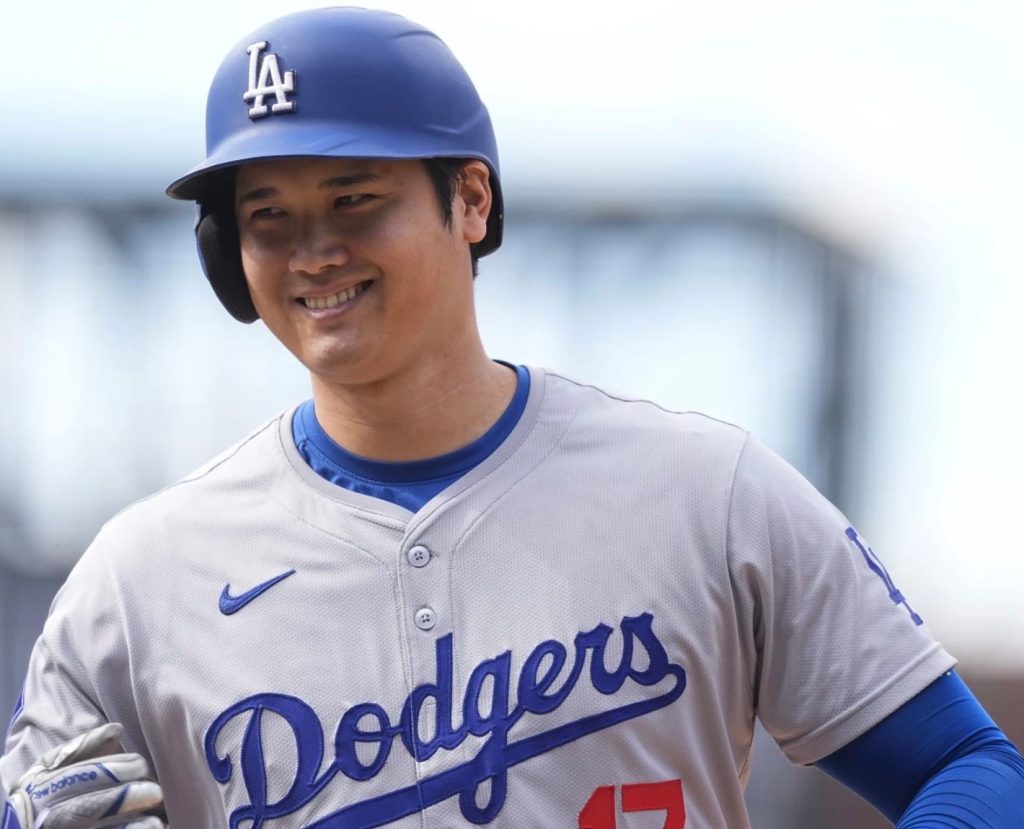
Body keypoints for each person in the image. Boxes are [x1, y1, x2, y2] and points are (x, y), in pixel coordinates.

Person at [3, 7, 1023, 829]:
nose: (312, 252)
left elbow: (971, 767)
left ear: (471, 200)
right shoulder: (138, 583)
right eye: (269, 216)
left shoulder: (703, 493)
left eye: (355, 199)